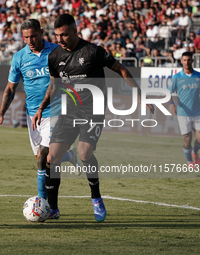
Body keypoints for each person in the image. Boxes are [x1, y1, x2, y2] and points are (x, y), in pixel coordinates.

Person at [31, 14, 154, 222]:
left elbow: (121, 69)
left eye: (64, 35)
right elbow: (54, 85)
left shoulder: (93, 51)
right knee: (52, 158)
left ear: (75, 31)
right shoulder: (54, 56)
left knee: (85, 153)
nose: (60, 39)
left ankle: (96, 197)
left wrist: (139, 95)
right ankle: (53, 208)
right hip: (68, 112)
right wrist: (41, 107)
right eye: (57, 35)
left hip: (92, 111)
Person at [0, 19, 81, 203]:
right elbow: (10, 88)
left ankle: (43, 201)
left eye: (33, 36)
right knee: (41, 160)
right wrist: (1, 113)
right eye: (26, 37)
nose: (30, 40)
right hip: (33, 114)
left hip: (56, 110)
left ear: (41, 32)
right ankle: (70, 155)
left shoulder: (57, 51)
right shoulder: (19, 57)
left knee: (45, 156)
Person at [168, 51, 200, 169]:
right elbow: (168, 92)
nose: (186, 62)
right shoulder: (176, 77)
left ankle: (194, 152)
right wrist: (171, 103)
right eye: (184, 60)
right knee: (187, 138)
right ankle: (189, 161)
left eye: (189, 60)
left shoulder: (198, 76)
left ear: (192, 61)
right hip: (183, 113)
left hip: (198, 112)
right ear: (181, 61)